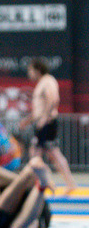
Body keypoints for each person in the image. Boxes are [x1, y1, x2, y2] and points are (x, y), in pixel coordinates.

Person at [22, 58, 77, 195]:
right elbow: (38, 109)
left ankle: (49, 183)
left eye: (30, 70)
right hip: (43, 122)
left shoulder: (48, 81)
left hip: (47, 123)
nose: (29, 74)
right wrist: (27, 121)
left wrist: (45, 119)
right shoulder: (42, 83)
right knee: (41, 153)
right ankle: (44, 182)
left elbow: (53, 100)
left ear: (37, 70)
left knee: (41, 153)